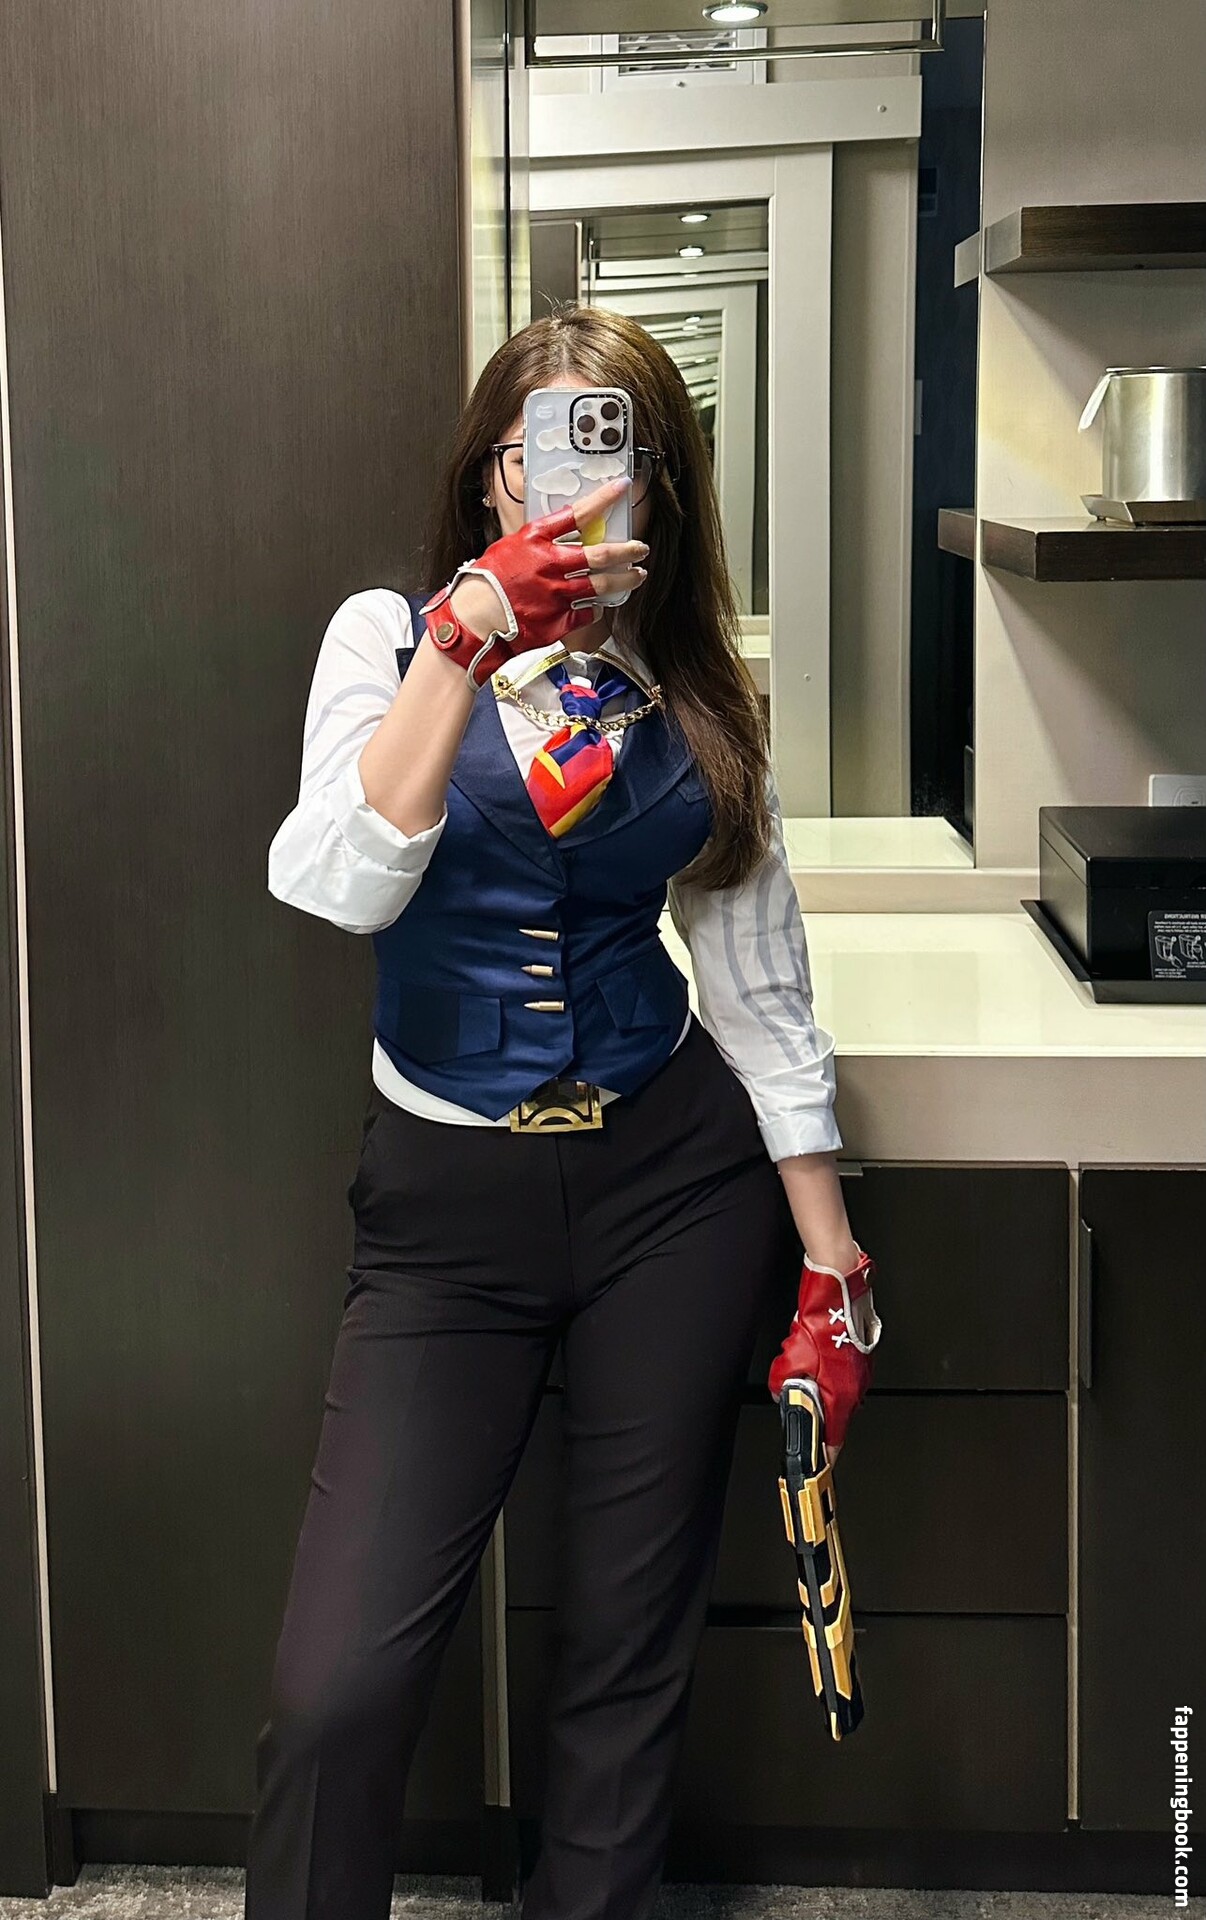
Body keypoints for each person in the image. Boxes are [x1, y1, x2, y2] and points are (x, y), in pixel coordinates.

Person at [246, 304, 882, 1920]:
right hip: (446, 1213)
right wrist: (467, 638)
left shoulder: (690, 684)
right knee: (339, 1682)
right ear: (488, 475)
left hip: (674, 1191)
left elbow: (754, 978)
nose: (575, 486)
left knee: (624, 1646)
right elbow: (335, 884)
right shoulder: (386, 638)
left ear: (660, 490)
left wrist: (829, 1261)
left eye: (619, 455)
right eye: (538, 452)